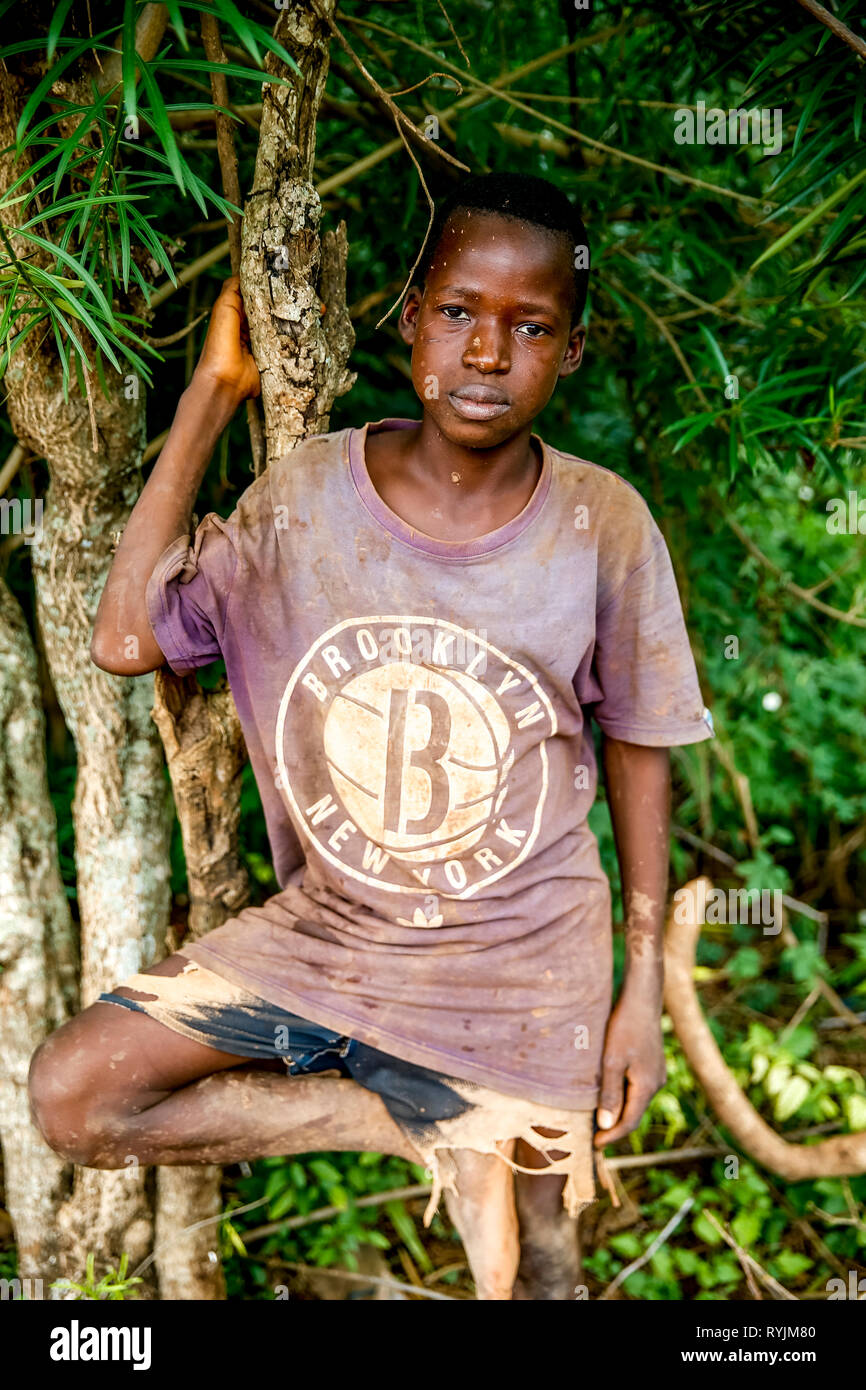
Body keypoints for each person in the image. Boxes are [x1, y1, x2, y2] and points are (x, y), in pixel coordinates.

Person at [28, 171, 714, 1301]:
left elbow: (642, 753)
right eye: (458, 312)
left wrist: (638, 990)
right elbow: (125, 639)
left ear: (573, 348)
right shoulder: (305, 500)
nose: (485, 353)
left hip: (524, 968)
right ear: (409, 317)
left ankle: (483, 1125)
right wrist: (212, 392)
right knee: (77, 1096)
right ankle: (417, 1119)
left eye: (530, 327)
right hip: (330, 941)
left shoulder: (604, 524)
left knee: (541, 1260)